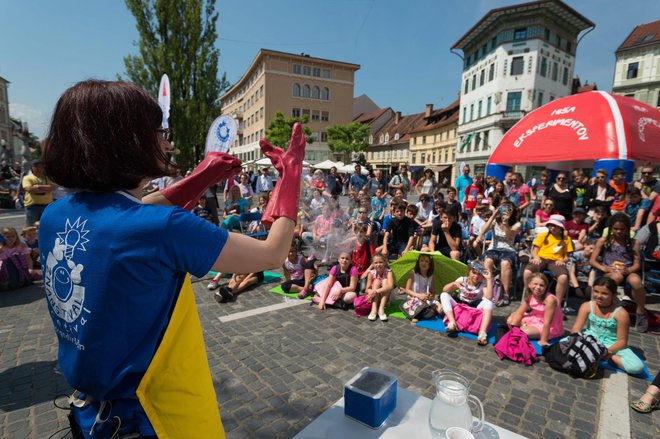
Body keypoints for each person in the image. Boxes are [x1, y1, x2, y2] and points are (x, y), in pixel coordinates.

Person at [40, 80, 304, 437]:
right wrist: (291, 176)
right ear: (127, 141)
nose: (167, 142)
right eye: (158, 131)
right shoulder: (161, 228)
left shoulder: (55, 216)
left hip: (93, 415)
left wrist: (200, 178)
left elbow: (124, 218)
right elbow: (272, 253)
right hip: (156, 418)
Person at [570, 277, 644, 375]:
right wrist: (578, 340)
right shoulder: (587, 306)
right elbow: (576, 328)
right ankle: (594, 357)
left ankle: (606, 359)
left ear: (613, 295)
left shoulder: (621, 314)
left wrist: (605, 352)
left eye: (604, 293)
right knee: (563, 345)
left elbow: (622, 341)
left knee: (636, 367)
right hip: (589, 339)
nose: (599, 296)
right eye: (596, 291)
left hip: (611, 345)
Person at [589, 213, 647, 332]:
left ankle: (640, 312)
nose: (619, 232)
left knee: (636, 281)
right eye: (615, 229)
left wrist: (628, 270)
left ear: (627, 229)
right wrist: (605, 268)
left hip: (627, 270)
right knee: (616, 277)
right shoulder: (604, 241)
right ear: (611, 228)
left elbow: (637, 264)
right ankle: (606, 308)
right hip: (608, 271)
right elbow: (592, 260)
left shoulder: (633, 243)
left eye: (622, 229)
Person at [523, 214, 573, 306]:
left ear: (561, 228)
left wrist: (563, 261)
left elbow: (567, 256)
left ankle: (557, 304)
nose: (552, 227)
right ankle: (529, 296)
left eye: (555, 226)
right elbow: (535, 251)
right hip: (541, 258)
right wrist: (536, 257)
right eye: (551, 225)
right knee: (527, 272)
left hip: (556, 261)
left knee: (563, 277)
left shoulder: (566, 239)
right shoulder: (543, 235)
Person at [441, 262, 495, 346]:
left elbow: (489, 297)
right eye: (474, 273)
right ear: (469, 272)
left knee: (488, 303)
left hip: (473, 309)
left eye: (479, 274)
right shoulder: (462, 279)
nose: (476, 276)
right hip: (460, 307)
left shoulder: (482, 285)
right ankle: (452, 322)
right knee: (444, 295)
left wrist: (488, 279)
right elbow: (445, 289)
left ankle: (482, 333)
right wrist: (453, 284)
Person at [506, 273, 564, 346]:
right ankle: (523, 328)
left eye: (541, 285)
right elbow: (519, 312)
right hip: (536, 318)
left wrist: (543, 340)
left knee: (523, 331)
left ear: (546, 287)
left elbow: (547, 322)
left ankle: (526, 328)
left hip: (549, 325)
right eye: (535, 284)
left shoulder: (550, 300)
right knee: (510, 320)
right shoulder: (530, 295)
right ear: (529, 285)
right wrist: (513, 327)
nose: (538, 287)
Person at [476, 202, 521, 296]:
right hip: (494, 249)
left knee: (505, 263)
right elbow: (483, 230)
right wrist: (493, 216)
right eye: (504, 209)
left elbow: (509, 236)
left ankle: (505, 293)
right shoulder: (495, 221)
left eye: (509, 210)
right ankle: (487, 288)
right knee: (487, 261)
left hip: (508, 250)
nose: (505, 212)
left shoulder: (516, 224)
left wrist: (505, 222)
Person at [401, 253, 442, 320]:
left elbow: (433, 291)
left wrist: (431, 295)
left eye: (426, 261)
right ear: (418, 262)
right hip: (414, 299)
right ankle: (425, 312)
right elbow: (407, 290)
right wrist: (419, 295)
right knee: (427, 313)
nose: (424, 263)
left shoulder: (432, 276)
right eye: (422, 260)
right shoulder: (413, 273)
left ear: (430, 264)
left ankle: (442, 312)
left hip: (426, 300)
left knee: (438, 306)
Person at [21, 159, 55, 226]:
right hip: (33, 206)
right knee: (31, 226)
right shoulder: (27, 178)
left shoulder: (47, 178)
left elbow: (52, 188)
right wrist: (46, 189)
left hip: (47, 205)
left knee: (47, 225)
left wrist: (37, 186)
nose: (39, 168)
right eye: (36, 166)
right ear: (32, 167)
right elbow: (29, 189)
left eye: (41, 166)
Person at [364, 253, 394, 321]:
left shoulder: (389, 271)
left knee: (385, 281)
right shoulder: (371, 273)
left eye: (380, 262)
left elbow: (391, 286)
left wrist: (376, 291)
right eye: (376, 263)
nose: (378, 264)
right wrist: (371, 292)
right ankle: (374, 309)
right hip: (374, 298)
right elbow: (367, 289)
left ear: (385, 262)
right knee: (376, 281)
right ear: (373, 264)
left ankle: (381, 309)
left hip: (387, 298)